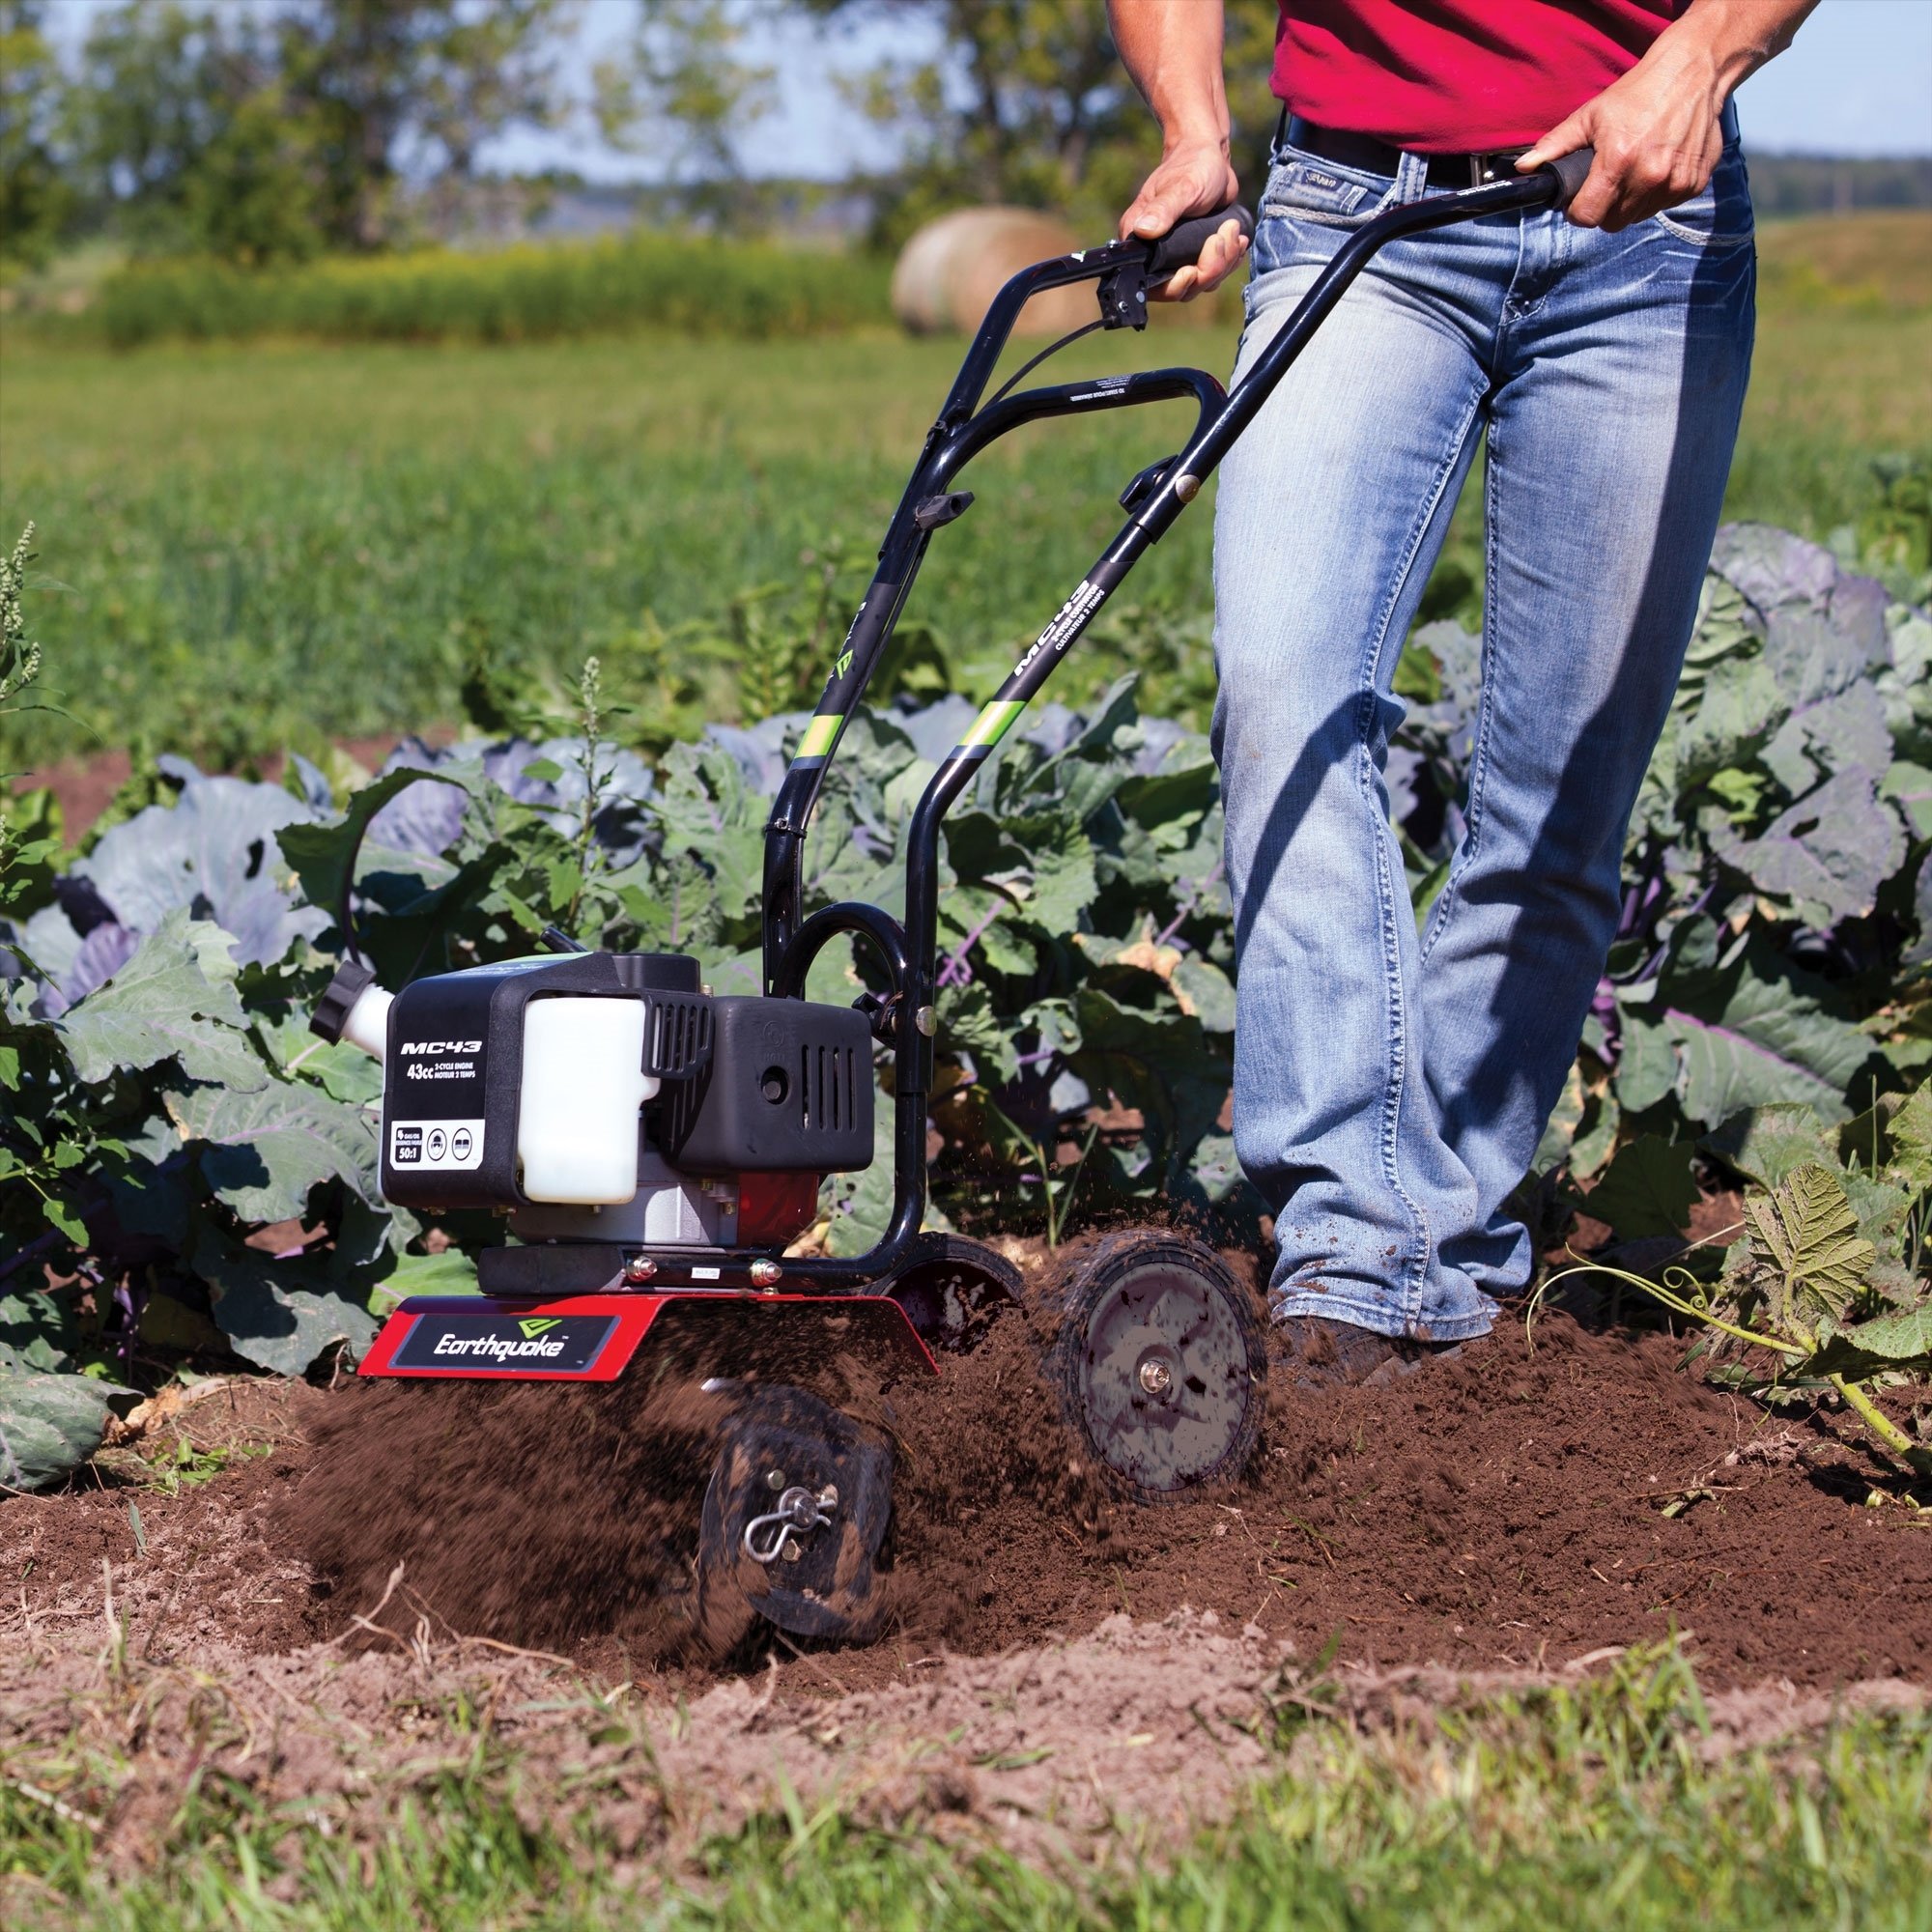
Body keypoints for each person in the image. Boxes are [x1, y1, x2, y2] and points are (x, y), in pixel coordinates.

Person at [1107, 0, 1816, 1380]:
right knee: (1284, 686)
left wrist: (1700, 58)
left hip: (1641, 222)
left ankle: (1450, 1237)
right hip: (1357, 215)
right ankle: (1355, 1246)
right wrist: (1195, 127)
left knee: (1561, 790)